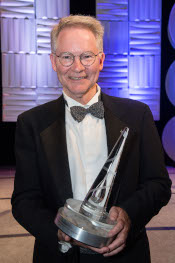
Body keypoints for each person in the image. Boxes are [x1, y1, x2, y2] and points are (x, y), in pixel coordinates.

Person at [11, 15, 171, 263]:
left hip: (127, 256)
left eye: (86, 56)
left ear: (101, 60)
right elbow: (24, 200)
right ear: (53, 61)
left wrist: (129, 216)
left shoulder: (137, 115)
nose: (77, 67)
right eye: (66, 57)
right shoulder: (31, 123)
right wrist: (58, 232)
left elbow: (158, 185)